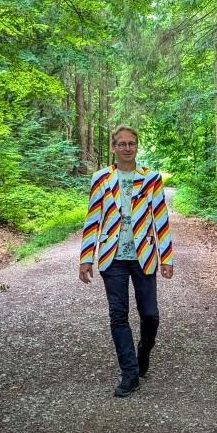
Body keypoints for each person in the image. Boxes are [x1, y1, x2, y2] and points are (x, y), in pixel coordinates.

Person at [79, 126, 174, 397]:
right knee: (118, 315)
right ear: (113, 147)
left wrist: (166, 258)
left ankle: (143, 352)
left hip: (144, 256)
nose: (127, 148)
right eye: (121, 144)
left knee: (150, 315)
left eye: (131, 143)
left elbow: (161, 219)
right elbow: (92, 219)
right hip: (112, 258)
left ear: (137, 146)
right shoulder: (100, 179)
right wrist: (86, 258)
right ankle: (129, 373)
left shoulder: (152, 179)